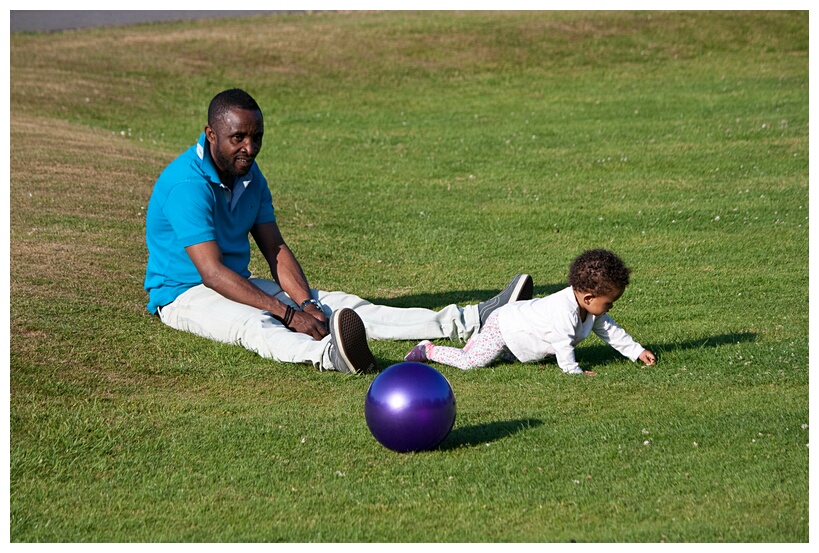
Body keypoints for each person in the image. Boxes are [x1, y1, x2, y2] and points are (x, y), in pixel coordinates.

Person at [144, 88, 533, 374]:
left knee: (342, 304)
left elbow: (274, 247)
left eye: (256, 137)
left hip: (234, 281)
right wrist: (286, 313)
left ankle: (468, 320)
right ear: (211, 135)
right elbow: (211, 273)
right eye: (237, 138)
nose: (249, 147)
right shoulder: (187, 185)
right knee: (254, 323)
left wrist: (307, 304)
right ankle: (328, 356)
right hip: (184, 294)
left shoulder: (249, 175)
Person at [405, 249, 656, 375]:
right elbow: (563, 345)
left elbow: (610, 331)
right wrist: (574, 371)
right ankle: (428, 350)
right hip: (505, 325)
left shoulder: (591, 310)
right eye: (609, 303)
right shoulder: (565, 312)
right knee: (473, 363)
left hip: (522, 331)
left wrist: (636, 351)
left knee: (505, 358)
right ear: (589, 297)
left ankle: (476, 343)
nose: (610, 308)